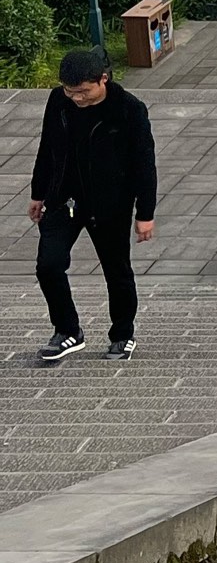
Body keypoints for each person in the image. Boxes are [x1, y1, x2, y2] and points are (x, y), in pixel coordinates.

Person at [31, 47, 157, 364]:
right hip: (64, 198)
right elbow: (47, 146)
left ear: (102, 80)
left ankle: (122, 335)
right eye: (69, 91)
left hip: (109, 204)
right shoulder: (58, 101)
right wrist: (38, 192)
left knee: (117, 271)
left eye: (83, 92)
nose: (76, 98)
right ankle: (67, 331)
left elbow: (145, 164)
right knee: (48, 265)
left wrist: (145, 214)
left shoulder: (129, 110)